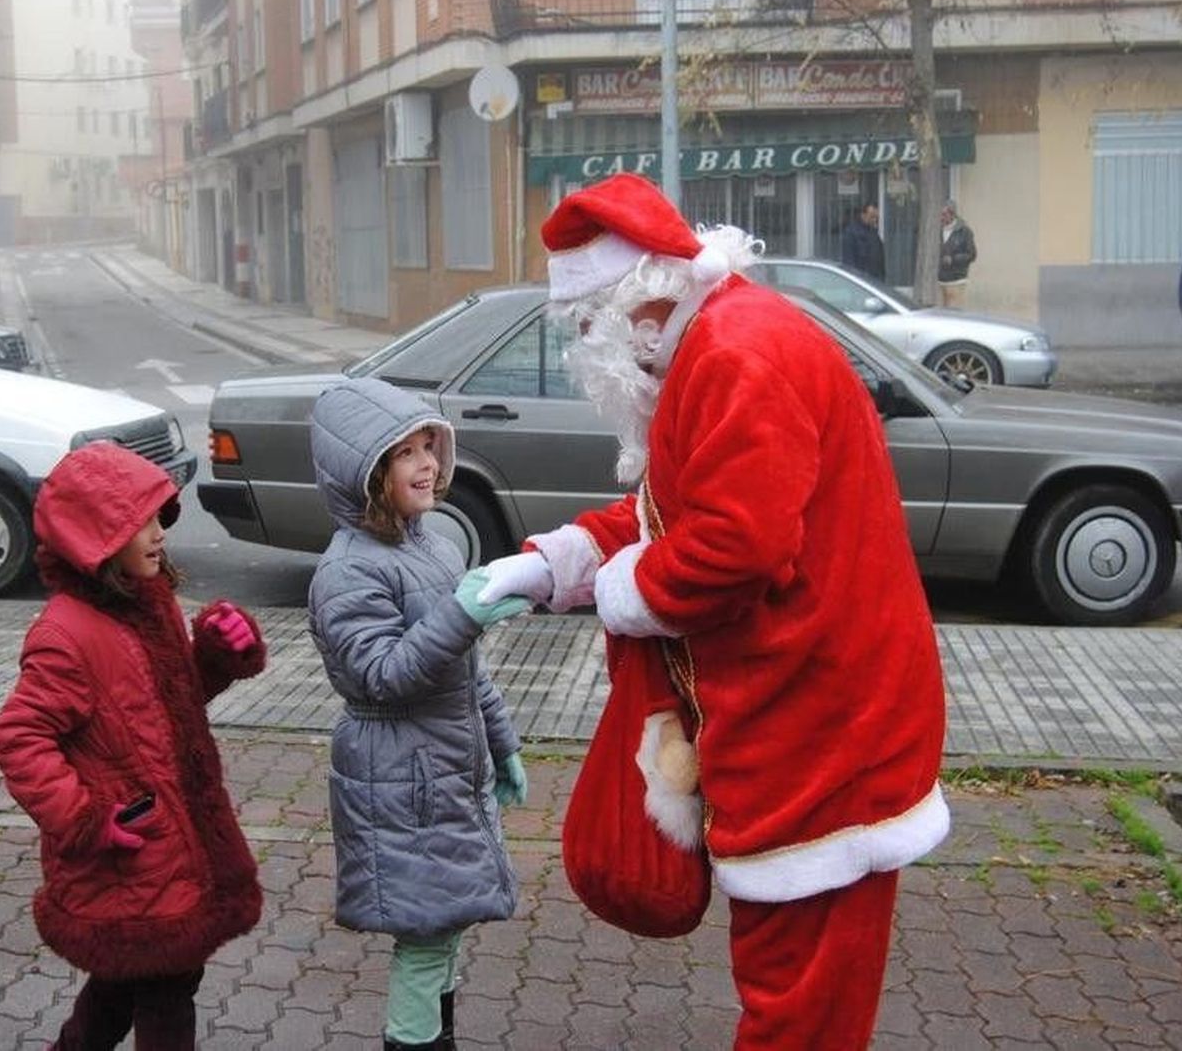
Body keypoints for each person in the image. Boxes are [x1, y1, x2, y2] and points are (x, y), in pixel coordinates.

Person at [478, 172, 948, 1050]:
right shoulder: (710, 345)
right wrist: (555, 562)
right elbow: (672, 511)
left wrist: (619, 593)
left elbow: (734, 546)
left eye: (589, 327)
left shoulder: (734, 355)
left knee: (798, 1008)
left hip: (822, 734)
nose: (587, 351)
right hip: (805, 725)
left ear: (637, 303)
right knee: (795, 992)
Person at [0, 441, 267, 1051]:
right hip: (132, 847)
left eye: (158, 516)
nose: (160, 533)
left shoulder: (149, 605)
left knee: (128, 982)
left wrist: (219, 656)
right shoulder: (66, 635)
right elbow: (20, 737)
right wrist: (85, 819)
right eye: (139, 522)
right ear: (94, 538)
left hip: (174, 837)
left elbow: (173, 699)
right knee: (166, 988)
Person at [306, 378, 530, 1051]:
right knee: (426, 941)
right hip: (403, 778)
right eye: (404, 453)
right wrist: (463, 615)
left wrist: (503, 742)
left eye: (429, 445)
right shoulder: (347, 572)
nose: (427, 463)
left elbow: (464, 674)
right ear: (367, 472)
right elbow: (381, 677)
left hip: (446, 769)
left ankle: (438, 1037)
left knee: (447, 928)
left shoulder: (430, 545)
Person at [939, 199, 977, 307]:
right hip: (940, 280)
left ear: (952, 214)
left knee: (954, 313)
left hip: (956, 281)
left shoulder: (964, 231)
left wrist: (954, 259)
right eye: (941, 214)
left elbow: (972, 255)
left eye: (944, 214)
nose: (941, 217)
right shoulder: (938, 230)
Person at [839, 200, 886, 281]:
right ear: (863, 215)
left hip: (875, 281)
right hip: (860, 282)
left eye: (876, 217)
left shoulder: (873, 233)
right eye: (872, 217)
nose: (874, 220)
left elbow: (879, 258)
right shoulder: (851, 233)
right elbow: (849, 262)